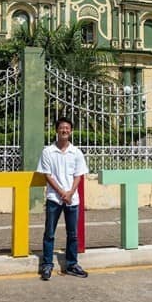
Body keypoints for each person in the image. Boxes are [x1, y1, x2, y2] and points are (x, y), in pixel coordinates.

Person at [36, 116, 89, 280]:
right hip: (54, 198)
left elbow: (78, 175)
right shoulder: (48, 152)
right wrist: (61, 192)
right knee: (49, 233)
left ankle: (71, 264)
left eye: (67, 128)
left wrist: (70, 192)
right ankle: (47, 265)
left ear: (71, 131)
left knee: (72, 234)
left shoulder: (76, 152)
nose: (64, 130)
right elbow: (47, 175)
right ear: (56, 130)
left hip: (72, 200)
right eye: (61, 128)